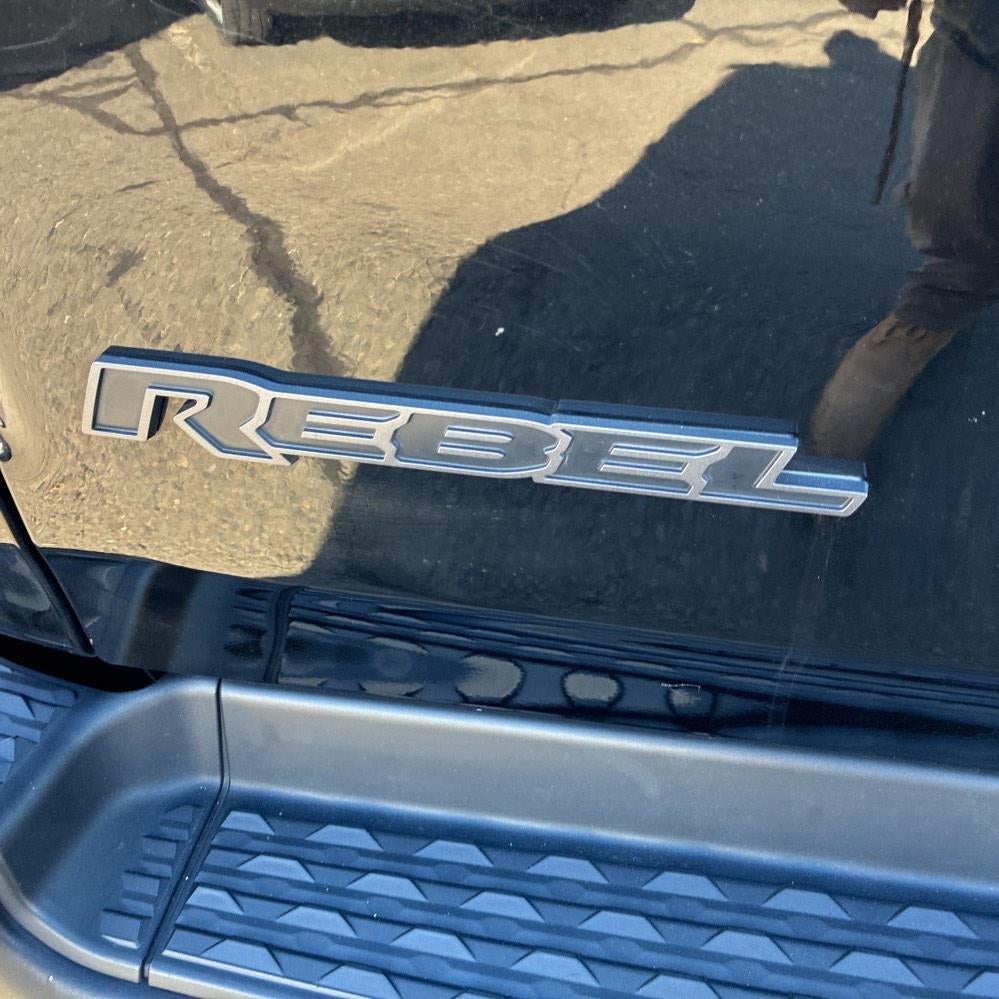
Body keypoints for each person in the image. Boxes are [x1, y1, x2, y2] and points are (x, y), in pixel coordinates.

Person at [809, 0, 999, 459]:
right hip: (979, 67)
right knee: (959, 258)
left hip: (974, 61)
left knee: (959, 258)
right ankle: (935, 309)